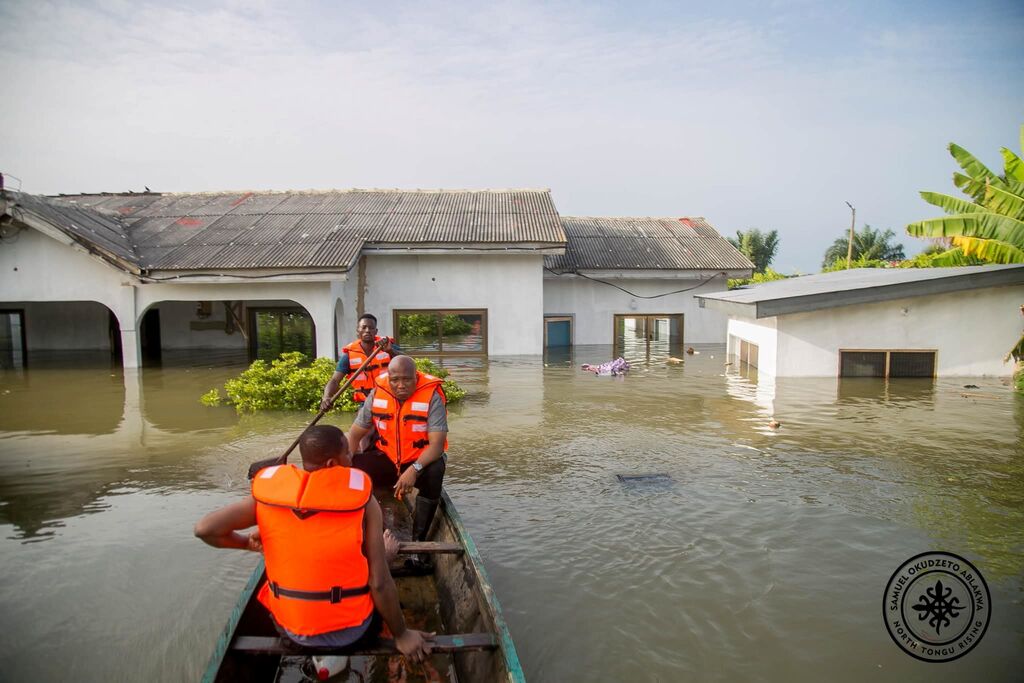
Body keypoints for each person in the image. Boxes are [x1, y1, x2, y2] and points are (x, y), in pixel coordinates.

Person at [194, 425, 434, 661]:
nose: (352, 456)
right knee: (380, 563)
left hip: (292, 634)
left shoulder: (267, 498)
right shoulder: (365, 501)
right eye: (348, 453)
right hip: (354, 633)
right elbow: (379, 583)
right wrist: (401, 635)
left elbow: (205, 529)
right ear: (332, 464)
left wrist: (248, 543)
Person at [346, 356, 448, 558]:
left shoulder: (432, 396)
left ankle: (419, 542)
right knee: (355, 469)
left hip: (419, 461)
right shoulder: (377, 393)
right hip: (387, 457)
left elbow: (436, 446)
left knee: (436, 469)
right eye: (395, 380)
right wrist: (345, 469)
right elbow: (355, 434)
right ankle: (367, 531)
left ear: (416, 378)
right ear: (388, 378)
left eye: (407, 379)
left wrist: (414, 470)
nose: (401, 385)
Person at [321, 314, 400, 410]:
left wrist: (390, 351)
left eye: (371, 328)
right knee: (361, 423)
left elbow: (408, 363)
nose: (367, 330)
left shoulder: (387, 347)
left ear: (376, 331)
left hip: (390, 399)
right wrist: (326, 397)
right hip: (365, 403)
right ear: (358, 330)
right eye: (364, 327)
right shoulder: (349, 356)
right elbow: (335, 380)